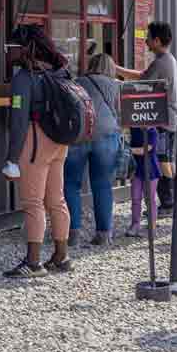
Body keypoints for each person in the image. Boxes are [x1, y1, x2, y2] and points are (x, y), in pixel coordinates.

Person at [3, 22, 75, 276]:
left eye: (12, 47)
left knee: (33, 202)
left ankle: (33, 261)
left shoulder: (24, 77)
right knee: (57, 199)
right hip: (59, 141)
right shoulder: (60, 71)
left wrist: (12, 158)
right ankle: (61, 255)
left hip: (35, 142)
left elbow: (19, 120)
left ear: (26, 48)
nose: (9, 52)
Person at [65, 49, 122, 249]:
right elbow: (120, 115)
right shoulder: (116, 86)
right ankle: (103, 234)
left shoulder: (78, 82)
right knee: (103, 185)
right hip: (107, 136)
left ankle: (72, 233)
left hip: (79, 136)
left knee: (71, 184)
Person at [141, 20, 177, 221]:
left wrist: (116, 73)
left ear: (157, 40)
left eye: (148, 38)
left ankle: (169, 203)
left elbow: (142, 81)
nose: (146, 42)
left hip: (164, 121)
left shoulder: (160, 62)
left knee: (163, 160)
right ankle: (171, 202)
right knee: (166, 159)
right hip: (169, 118)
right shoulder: (169, 59)